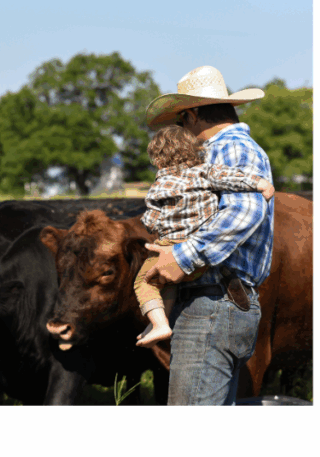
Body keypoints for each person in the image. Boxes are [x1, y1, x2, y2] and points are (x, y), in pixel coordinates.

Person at [141, 65, 274, 405]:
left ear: (194, 114)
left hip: (212, 302)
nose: (182, 131)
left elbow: (245, 211)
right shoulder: (226, 151)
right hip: (221, 301)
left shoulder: (229, 147)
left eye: (181, 121)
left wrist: (182, 257)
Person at [133, 126, 273, 348]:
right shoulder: (205, 171)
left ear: (158, 161)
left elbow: (152, 218)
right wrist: (259, 183)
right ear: (194, 151)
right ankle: (161, 324)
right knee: (168, 281)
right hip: (200, 251)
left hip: (174, 250)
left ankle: (158, 322)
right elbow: (231, 177)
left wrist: (152, 225)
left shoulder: (158, 184)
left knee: (147, 281)